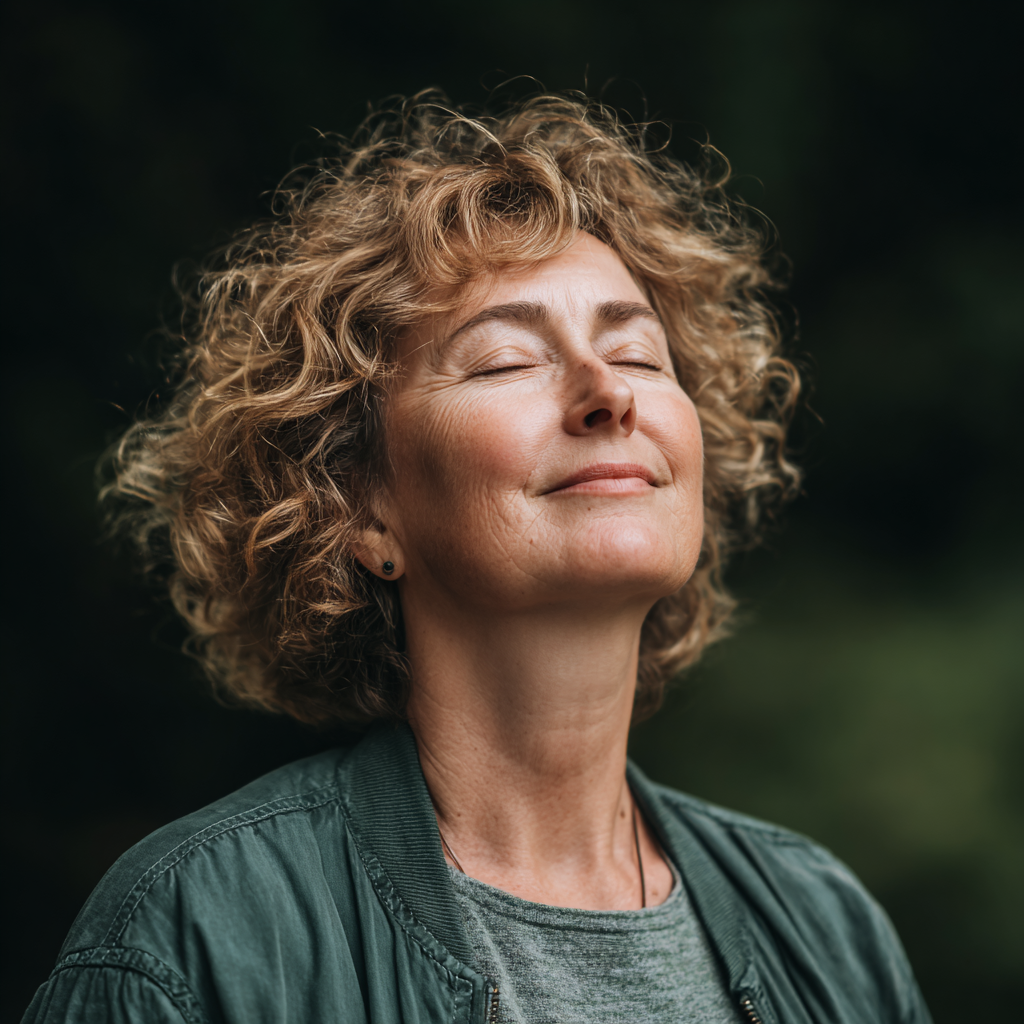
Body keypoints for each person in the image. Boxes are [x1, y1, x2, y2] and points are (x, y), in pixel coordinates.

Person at [23, 93, 933, 1024]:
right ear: (359, 508)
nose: (606, 393)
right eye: (504, 360)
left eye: (639, 353)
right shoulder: (197, 932)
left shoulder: (828, 929)